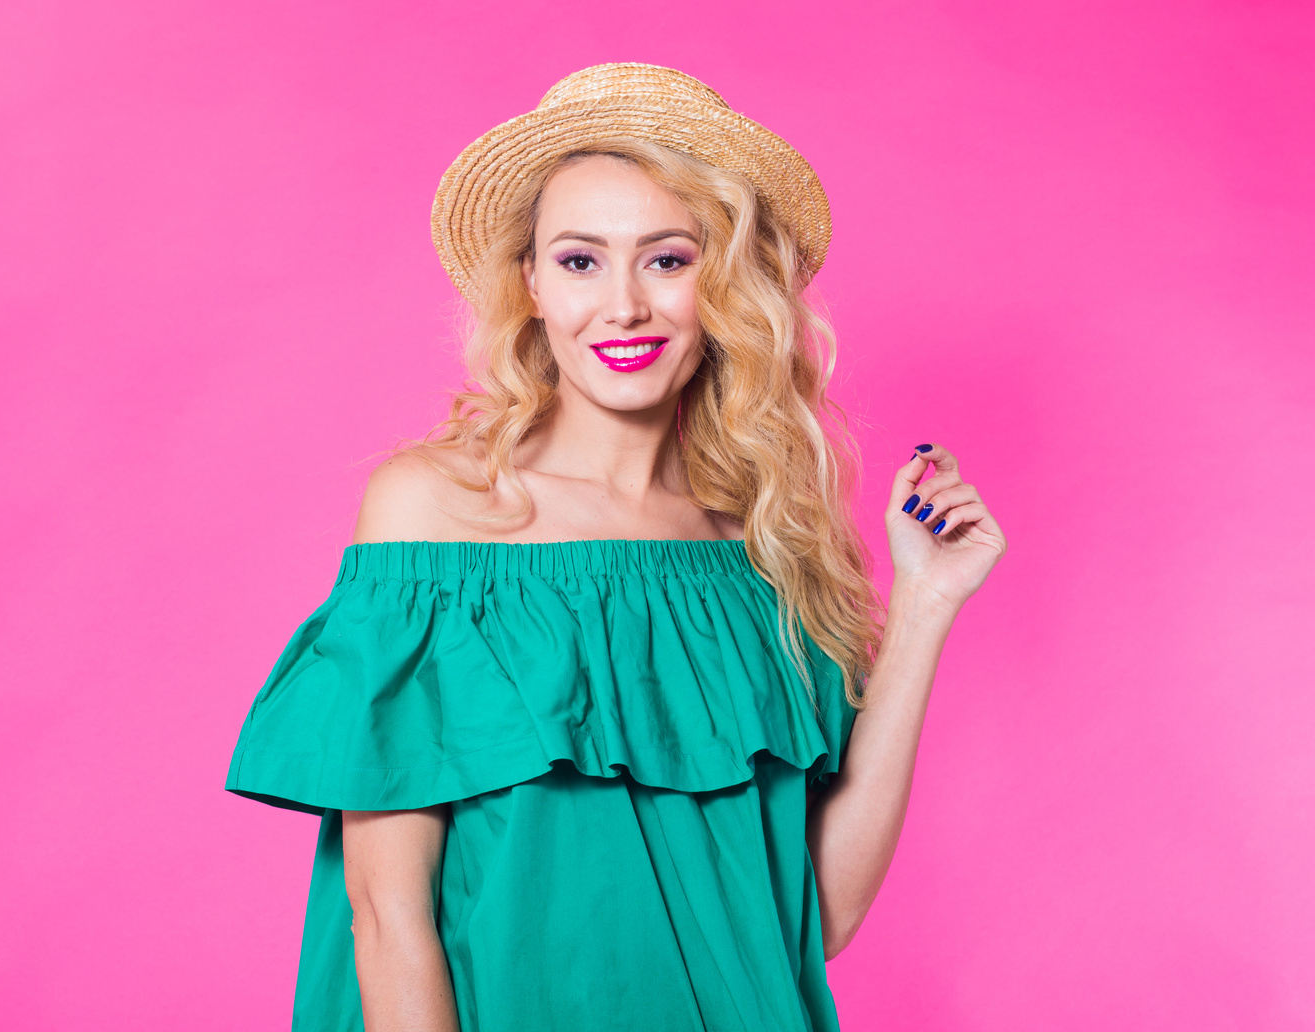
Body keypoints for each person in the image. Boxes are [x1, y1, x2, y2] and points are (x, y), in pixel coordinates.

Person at [226, 62, 1006, 1032]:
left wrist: (925, 603)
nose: (624, 307)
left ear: (723, 284)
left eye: (668, 259)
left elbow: (814, 916)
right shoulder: (434, 513)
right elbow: (388, 917)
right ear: (531, 285)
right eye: (580, 260)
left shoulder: (762, 543)